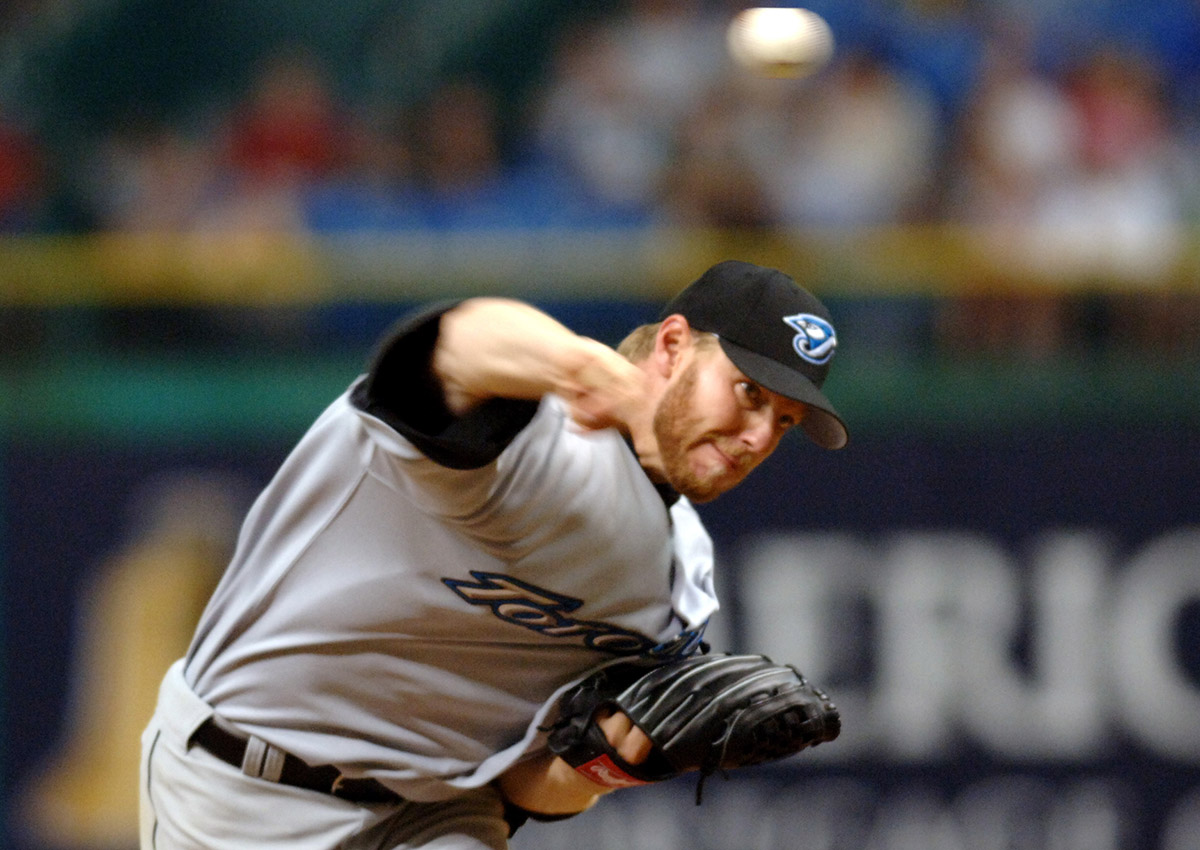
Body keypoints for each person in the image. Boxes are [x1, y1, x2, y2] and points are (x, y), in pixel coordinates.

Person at [138, 259, 849, 850]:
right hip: (241, 785)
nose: (760, 437)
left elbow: (525, 788)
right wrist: (577, 366)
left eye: (784, 421)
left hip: (437, 814)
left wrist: (616, 760)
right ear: (671, 345)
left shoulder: (680, 584)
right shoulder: (523, 427)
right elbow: (448, 348)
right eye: (748, 392)